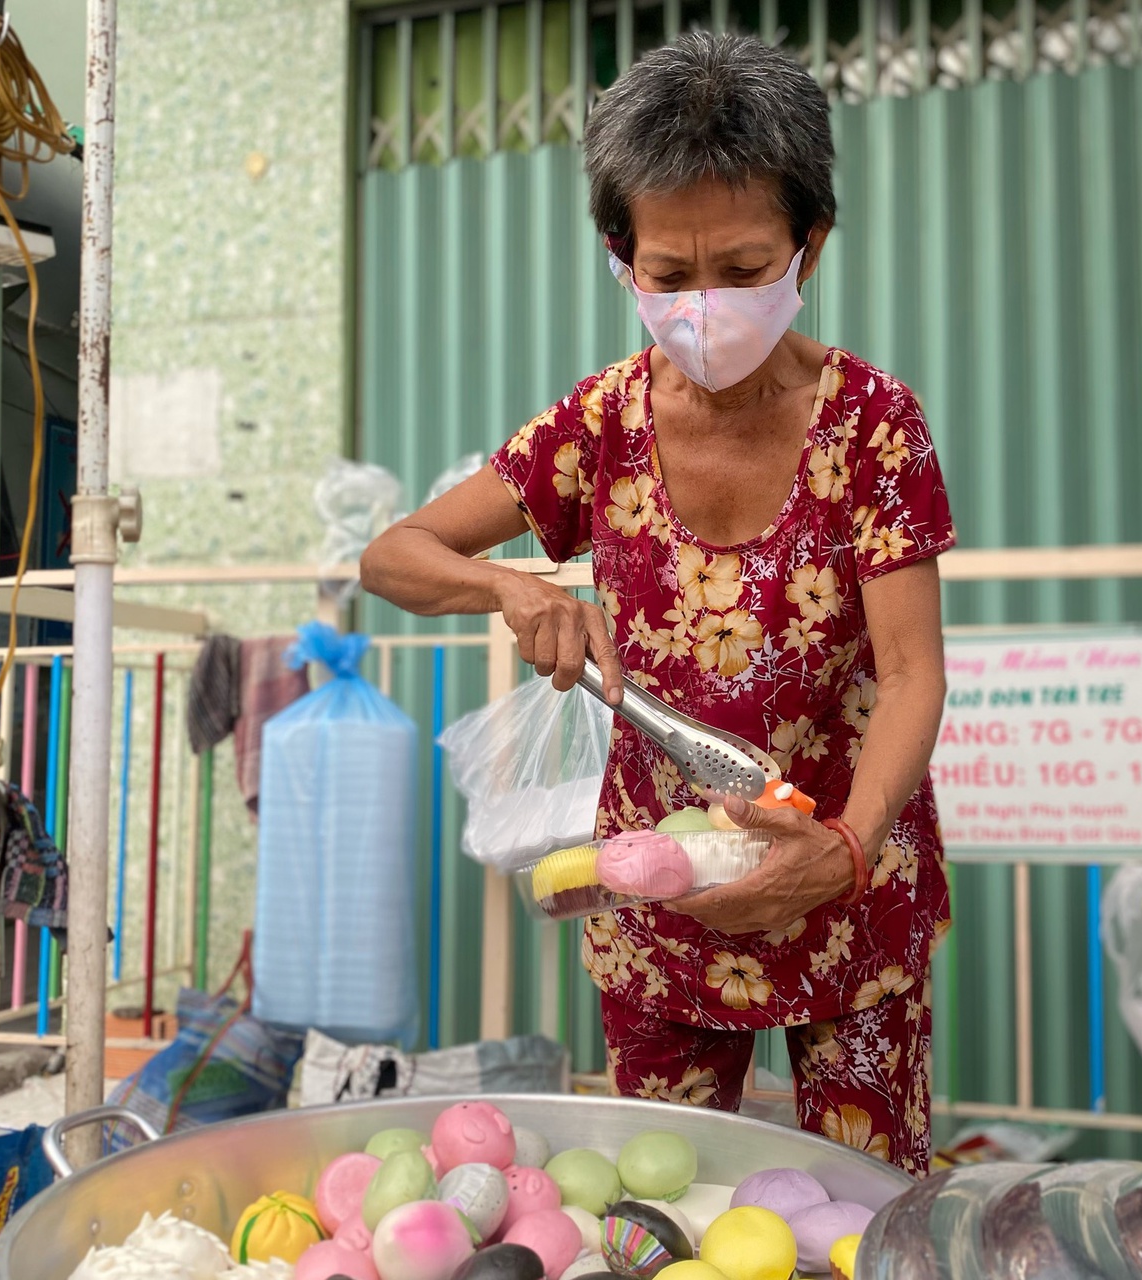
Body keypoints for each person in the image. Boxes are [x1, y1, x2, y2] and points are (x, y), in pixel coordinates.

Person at [360, 31, 954, 1175]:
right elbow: (398, 553)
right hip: (662, 893)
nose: (703, 307)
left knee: (872, 1205)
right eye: (668, 276)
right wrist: (507, 583)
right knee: (656, 1202)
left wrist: (846, 845)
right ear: (620, 257)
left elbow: (914, 668)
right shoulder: (602, 425)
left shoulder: (876, 423)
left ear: (809, 245)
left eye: (741, 268)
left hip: (844, 870)